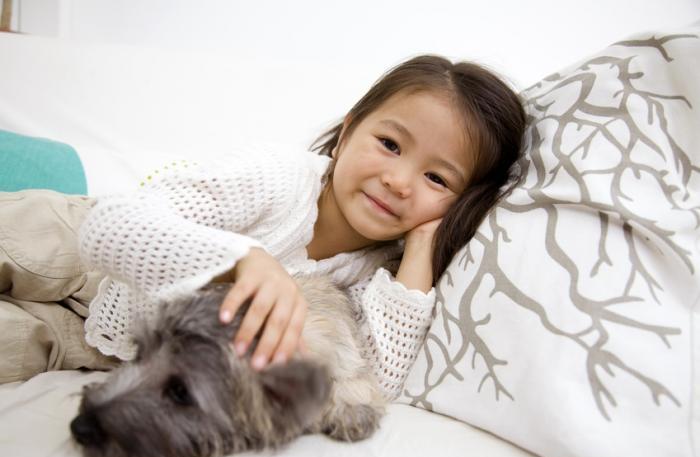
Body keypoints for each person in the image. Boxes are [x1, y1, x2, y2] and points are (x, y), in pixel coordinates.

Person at [0, 54, 526, 400]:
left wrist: (418, 263)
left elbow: (373, 384)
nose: (398, 180)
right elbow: (113, 227)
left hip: (101, 345)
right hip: (75, 245)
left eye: (437, 177)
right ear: (347, 133)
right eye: (389, 144)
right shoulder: (279, 176)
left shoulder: (373, 274)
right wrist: (241, 260)